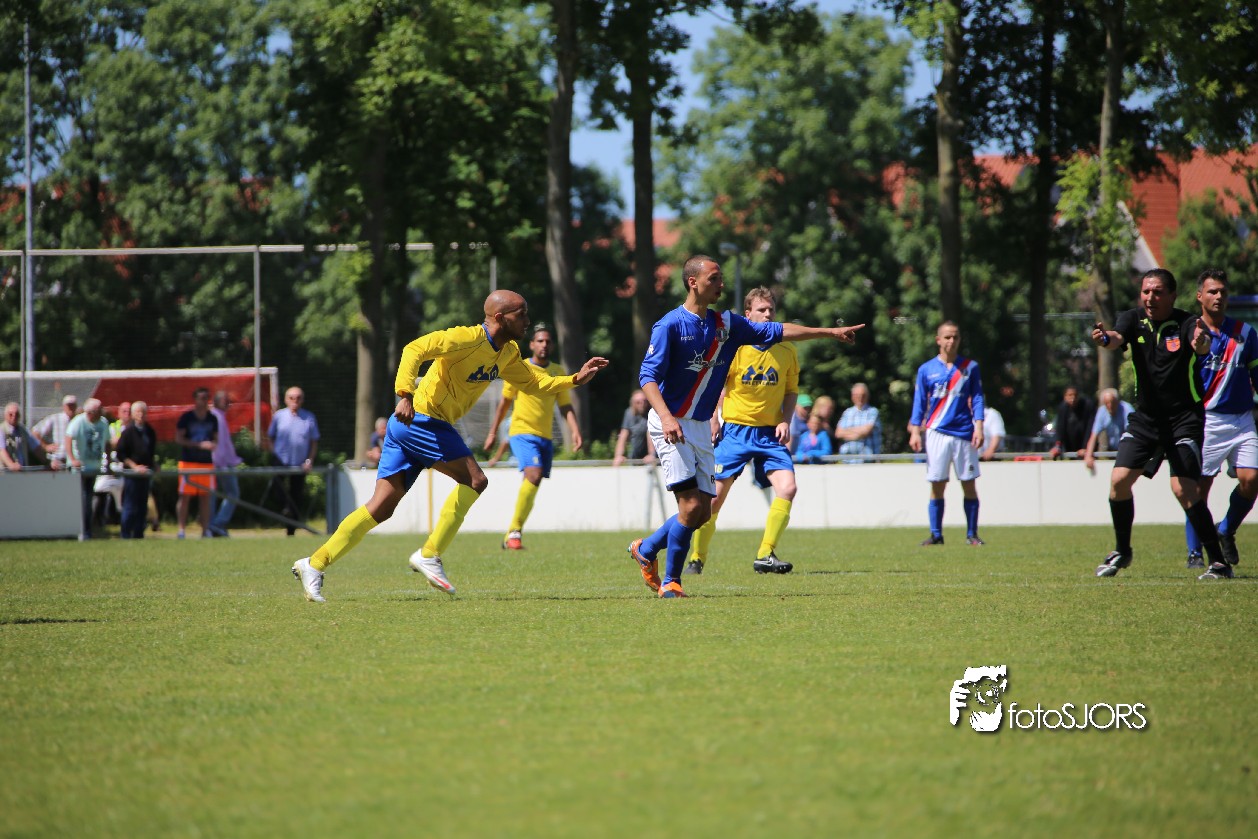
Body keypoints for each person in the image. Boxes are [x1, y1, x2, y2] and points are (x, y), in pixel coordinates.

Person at [291, 290, 608, 603]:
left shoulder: (508, 352)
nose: (527, 320)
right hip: (422, 420)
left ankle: (314, 563)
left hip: (412, 425)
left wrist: (574, 380)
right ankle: (430, 553)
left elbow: (534, 382)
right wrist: (405, 394)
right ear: (500, 317)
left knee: (381, 507)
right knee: (476, 480)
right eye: (521, 314)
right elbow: (415, 348)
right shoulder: (466, 338)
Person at [626, 254, 863, 599]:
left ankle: (646, 549)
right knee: (690, 507)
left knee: (702, 511)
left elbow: (780, 331)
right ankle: (671, 582)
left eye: (721, 278)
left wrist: (830, 333)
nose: (721, 284)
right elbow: (647, 376)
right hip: (671, 422)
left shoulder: (728, 324)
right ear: (693, 282)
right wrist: (665, 417)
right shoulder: (670, 325)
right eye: (714, 278)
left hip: (698, 426)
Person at [1091, 268, 1231, 580]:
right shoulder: (1132, 319)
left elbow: (1201, 344)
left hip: (1184, 419)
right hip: (1146, 419)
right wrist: (1105, 338)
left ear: (1172, 295)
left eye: (1157, 292)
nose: (1150, 298)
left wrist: (1201, 343)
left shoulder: (1187, 323)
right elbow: (1116, 338)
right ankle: (1122, 551)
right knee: (1119, 481)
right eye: (1146, 292)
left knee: (1183, 488)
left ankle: (1218, 562)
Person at [686, 287, 801, 576]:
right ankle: (696, 558)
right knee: (712, 501)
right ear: (748, 315)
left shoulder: (787, 349)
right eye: (762, 310)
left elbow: (791, 391)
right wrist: (714, 419)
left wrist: (785, 420)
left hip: (769, 434)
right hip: (735, 432)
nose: (768, 314)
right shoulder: (735, 348)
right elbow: (717, 387)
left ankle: (765, 554)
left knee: (788, 488)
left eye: (771, 310)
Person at [483, 323, 583, 550]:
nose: (544, 344)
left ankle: (512, 534)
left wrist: (575, 430)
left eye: (547, 341)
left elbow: (565, 405)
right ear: (531, 345)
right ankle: (515, 532)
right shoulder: (520, 367)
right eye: (540, 341)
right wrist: (492, 433)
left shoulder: (557, 371)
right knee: (534, 474)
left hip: (545, 437)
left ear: (552, 346)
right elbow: (504, 403)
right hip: (521, 432)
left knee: (532, 482)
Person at [1183, 269, 1258, 569]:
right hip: (1207, 420)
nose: (1218, 296)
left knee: (1251, 480)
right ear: (1199, 296)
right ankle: (1194, 552)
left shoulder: (1246, 333)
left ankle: (1225, 530)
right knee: (1199, 490)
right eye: (1212, 291)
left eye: (1223, 292)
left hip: (1242, 419)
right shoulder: (1191, 333)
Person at [908, 321, 986, 546]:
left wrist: (979, 426)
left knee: (968, 483)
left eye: (956, 337)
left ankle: (972, 535)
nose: (952, 341)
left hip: (963, 432)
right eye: (947, 337)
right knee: (937, 484)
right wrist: (915, 431)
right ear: (938, 340)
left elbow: (977, 397)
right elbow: (919, 402)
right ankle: (936, 535)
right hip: (936, 432)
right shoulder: (926, 369)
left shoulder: (970, 367)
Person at [267, 387, 320, 536]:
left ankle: (291, 530)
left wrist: (309, 460)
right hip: (280, 461)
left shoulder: (309, 417)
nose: (294, 401)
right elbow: (270, 437)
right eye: (291, 397)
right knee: (278, 489)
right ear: (286, 399)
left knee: (296, 495)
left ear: (302, 400)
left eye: (298, 398)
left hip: (300, 463)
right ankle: (286, 509)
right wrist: (274, 453)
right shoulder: (279, 416)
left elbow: (314, 442)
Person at [65, 398, 111, 540]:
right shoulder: (78, 422)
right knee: (82, 498)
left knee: (88, 498)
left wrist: (108, 462)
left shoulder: (103, 423)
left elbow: (107, 442)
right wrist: (73, 459)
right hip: (79, 468)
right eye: (98, 410)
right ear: (90, 412)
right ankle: (82, 530)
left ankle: (86, 530)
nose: (101, 412)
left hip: (94, 467)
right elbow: (68, 439)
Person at [175, 387, 218, 539]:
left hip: (206, 463)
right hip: (188, 462)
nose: (204, 401)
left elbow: (216, 439)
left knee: (205, 497)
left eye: (206, 398)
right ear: (195, 399)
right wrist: (198, 445)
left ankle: (205, 530)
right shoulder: (187, 417)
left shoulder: (212, 418)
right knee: (185, 496)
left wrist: (212, 445)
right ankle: (181, 530)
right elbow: (179, 438)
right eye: (201, 398)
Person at [115, 401, 158, 539]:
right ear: (133, 414)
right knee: (130, 505)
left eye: (143, 412)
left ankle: (139, 534)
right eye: (138, 412)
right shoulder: (128, 432)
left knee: (142, 505)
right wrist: (134, 466)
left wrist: (154, 464)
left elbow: (150, 453)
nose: (141, 415)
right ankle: (126, 534)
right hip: (131, 475)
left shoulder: (149, 431)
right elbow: (121, 454)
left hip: (145, 474)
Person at [208, 391, 244, 537]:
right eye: (225, 400)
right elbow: (219, 444)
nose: (228, 403)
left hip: (220, 463)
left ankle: (213, 525)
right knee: (232, 493)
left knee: (213, 494)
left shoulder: (219, 416)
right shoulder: (216, 417)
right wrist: (221, 463)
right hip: (220, 464)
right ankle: (216, 524)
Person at [1082, 388, 1135, 471]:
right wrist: (1088, 456)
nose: (1110, 406)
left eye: (1112, 402)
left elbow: (1132, 433)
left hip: (1127, 448)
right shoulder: (1102, 411)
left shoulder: (1127, 409)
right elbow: (1094, 435)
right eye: (1106, 403)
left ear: (1117, 401)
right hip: (1112, 449)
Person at [834, 382, 882, 461]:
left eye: (863, 395)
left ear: (867, 396)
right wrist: (858, 433)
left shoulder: (873, 412)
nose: (860, 398)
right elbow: (838, 433)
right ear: (852, 396)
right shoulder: (847, 412)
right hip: (847, 460)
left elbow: (866, 431)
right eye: (857, 395)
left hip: (867, 460)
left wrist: (847, 431)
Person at [32, 394, 77, 469]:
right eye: (69, 405)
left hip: (74, 461)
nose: (71, 408)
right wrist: (45, 447)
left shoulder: (78, 420)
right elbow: (35, 432)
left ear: (76, 407)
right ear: (64, 406)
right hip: (57, 461)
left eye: (73, 405)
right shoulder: (55, 418)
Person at [612, 389, 657, 466]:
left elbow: (650, 434)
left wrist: (651, 454)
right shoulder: (629, 414)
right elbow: (623, 435)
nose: (642, 404)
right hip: (634, 458)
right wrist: (618, 456)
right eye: (638, 402)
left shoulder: (651, 413)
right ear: (633, 403)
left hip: (651, 458)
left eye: (644, 401)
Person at [1047, 386, 1094, 459]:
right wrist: (1057, 446)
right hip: (1070, 447)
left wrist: (1085, 447)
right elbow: (1060, 429)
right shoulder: (1062, 408)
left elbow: (1090, 428)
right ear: (1065, 397)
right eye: (1070, 395)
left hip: (1086, 446)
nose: (1073, 398)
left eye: (1075, 395)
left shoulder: (1087, 406)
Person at [1, 402, 47, 470]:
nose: (14, 416)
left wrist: (48, 462)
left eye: (16, 414)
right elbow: (1, 451)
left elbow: (36, 447)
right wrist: (11, 465)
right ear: (5, 416)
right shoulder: (1, 430)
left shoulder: (23, 430)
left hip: (22, 470)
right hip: (5, 472)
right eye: (10, 414)